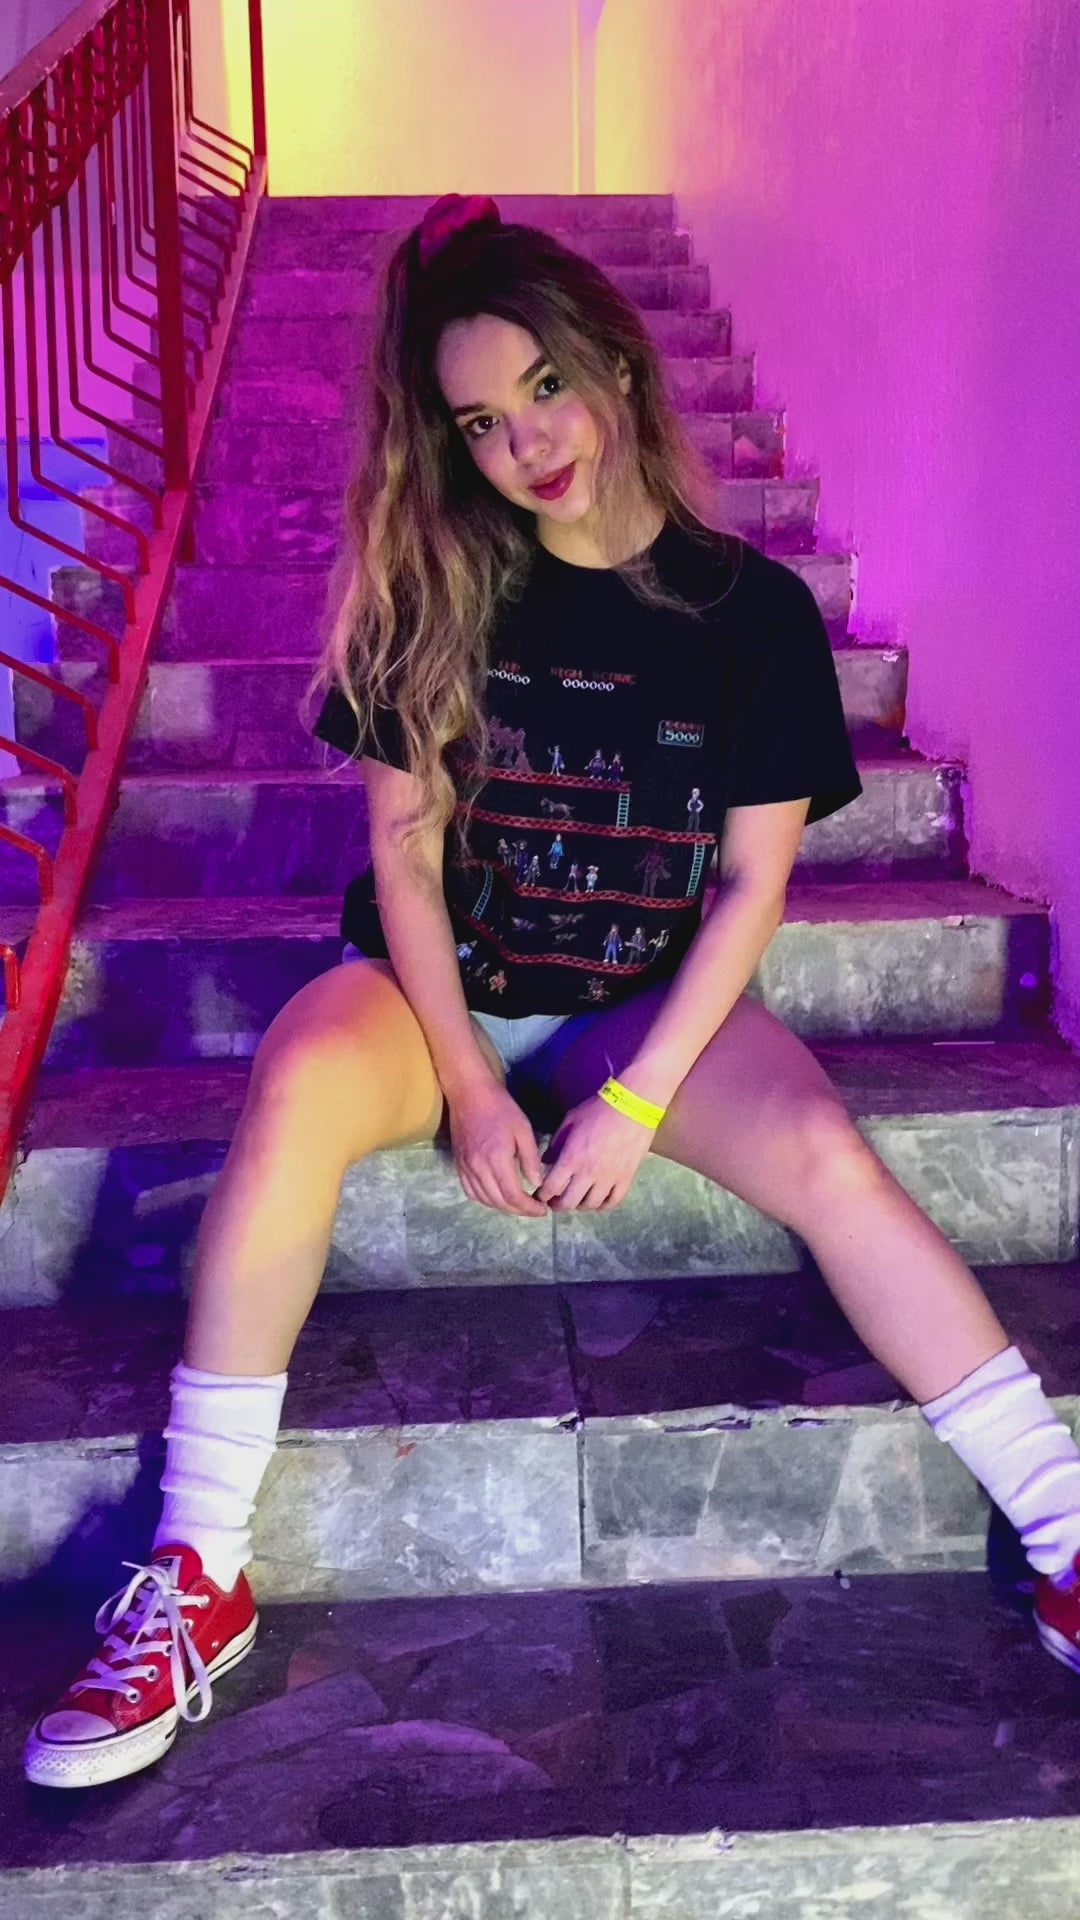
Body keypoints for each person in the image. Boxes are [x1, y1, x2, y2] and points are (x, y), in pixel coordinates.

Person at [24, 190, 1080, 1790]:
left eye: (543, 388)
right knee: (297, 1084)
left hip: (636, 1005)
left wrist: (638, 1095)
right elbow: (404, 857)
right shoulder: (434, 585)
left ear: (616, 368)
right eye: (478, 421)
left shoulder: (752, 616)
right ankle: (197, 1573)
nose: (524, 442)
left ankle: (1064, 1527)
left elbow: (752, 888)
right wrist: (464, 1079)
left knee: (826, 1155)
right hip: (437, 991)